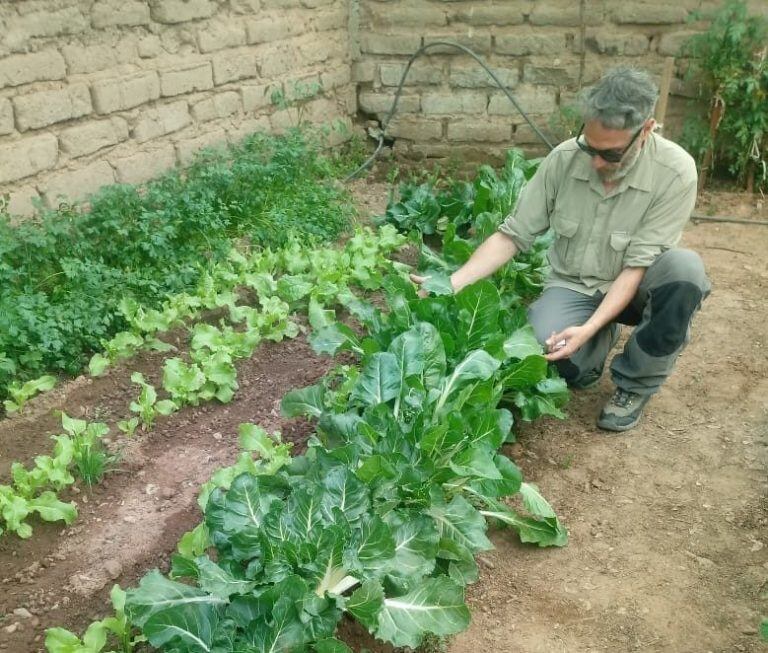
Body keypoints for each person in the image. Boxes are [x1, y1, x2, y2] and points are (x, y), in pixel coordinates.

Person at [412, 66, 711, 432]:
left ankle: (634, 385)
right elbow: (512, 236)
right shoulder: (562, 160)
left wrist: (588, 326)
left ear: (646, 131)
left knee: (685, 272)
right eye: (590, 148)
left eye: (612, 154)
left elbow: (636, 267)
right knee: (542, 357)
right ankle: (594, 348)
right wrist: (452, 282)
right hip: (576, 286)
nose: (597, 162)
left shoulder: (676, 172)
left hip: (640, 284)